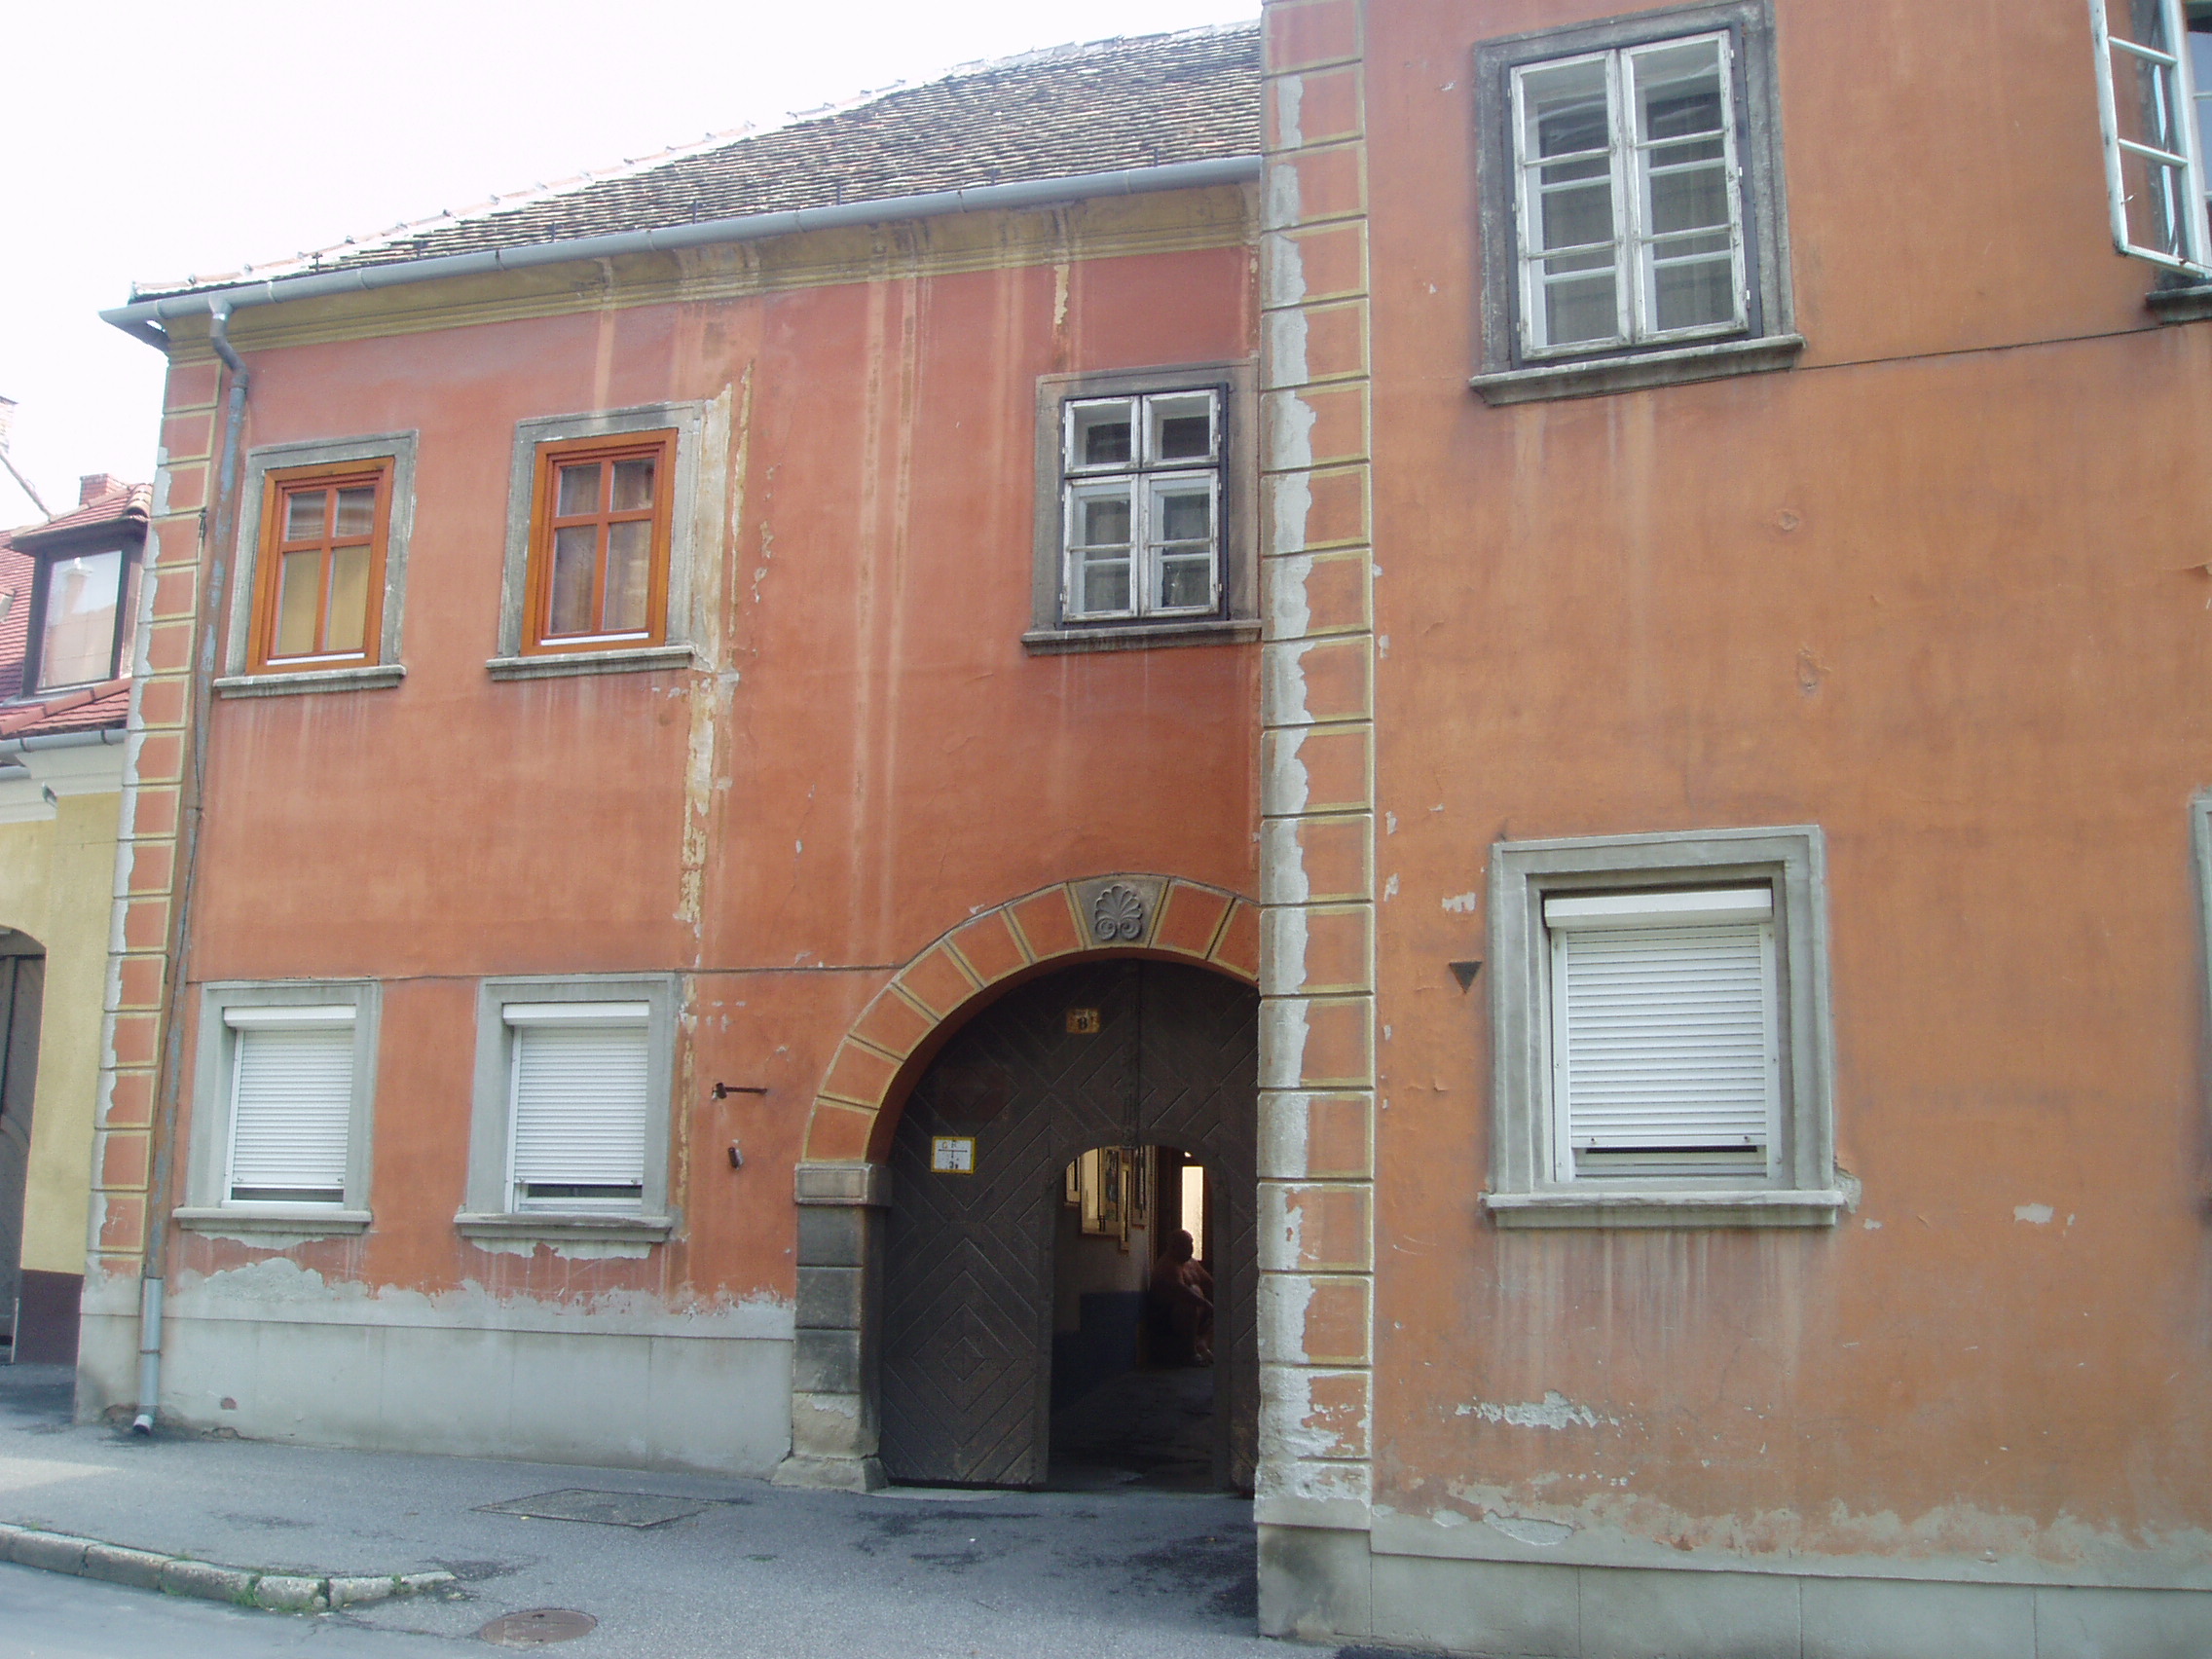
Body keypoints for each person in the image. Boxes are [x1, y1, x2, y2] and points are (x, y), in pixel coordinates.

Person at [1149, 1230, 1214, 1365]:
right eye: (1185, 1245)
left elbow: (1209, 1283)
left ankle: (1203, 1344)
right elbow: (1181, 1291)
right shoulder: (1168, 1265)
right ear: (1173, 1247)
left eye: (1191, 1244)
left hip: (1200, 1313)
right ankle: (1190, 1353)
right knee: (1189, 1300)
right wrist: (1204, 1303)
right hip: (1169, 1316)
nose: (1190, 1249)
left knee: (1222, 1307)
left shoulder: (1192, 1263)